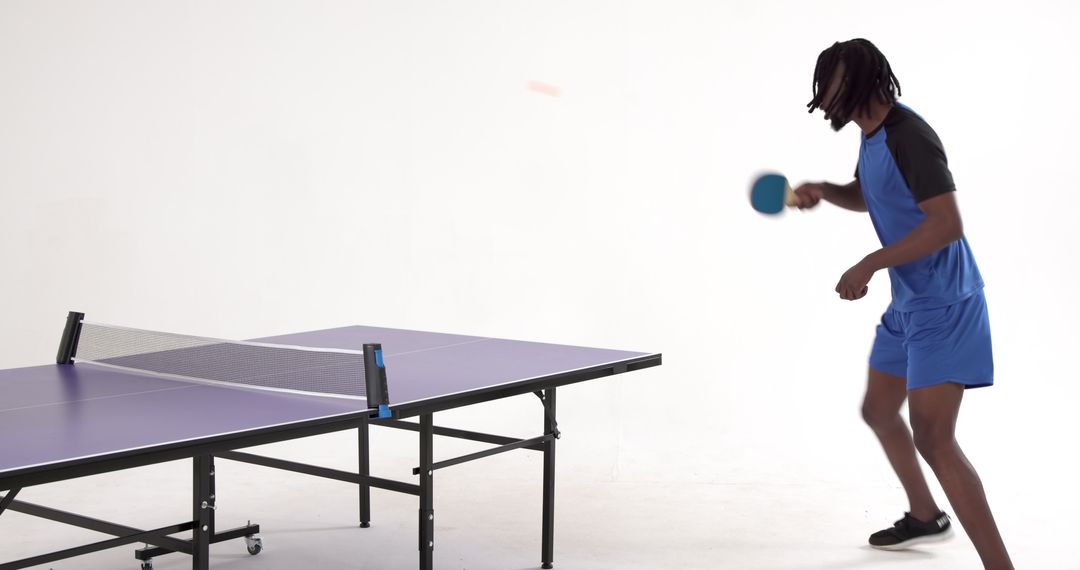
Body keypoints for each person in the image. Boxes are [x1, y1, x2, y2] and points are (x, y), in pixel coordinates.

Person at [794, 39, 1013, 570]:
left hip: (947, 304)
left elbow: (947, 224)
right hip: (910, 302)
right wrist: (826, 190)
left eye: (833, 84)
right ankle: (925, 516)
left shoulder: (909, 135)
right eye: (821, 86)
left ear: (865, 81)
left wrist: (870, 262)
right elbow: (872, 192)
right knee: (877, 409)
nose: (824, 96)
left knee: (935, 438)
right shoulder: (873, 139)